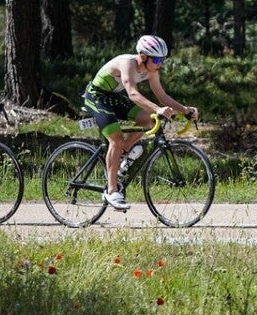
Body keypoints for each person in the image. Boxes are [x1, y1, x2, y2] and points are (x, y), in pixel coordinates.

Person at [82, 34, 196, 210]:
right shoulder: (127, 63)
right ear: (143, 56)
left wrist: (185, 110)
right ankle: (111, 192)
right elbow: (132, 93)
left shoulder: (151, 70)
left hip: (115, 97)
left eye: (163, 60)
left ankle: (122, 153)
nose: (160, 64)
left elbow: (162, 95)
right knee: (116, 140)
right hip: (97, 97)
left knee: (149, 121)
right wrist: (157, 108)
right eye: (157, 59)